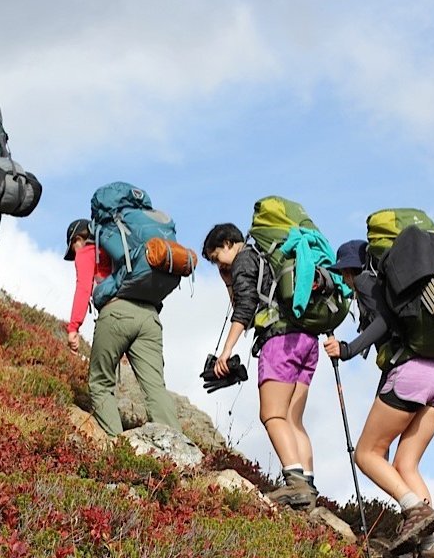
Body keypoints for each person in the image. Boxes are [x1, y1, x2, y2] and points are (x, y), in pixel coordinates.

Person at [323, 240, 434, 558]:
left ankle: (414, 510)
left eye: (345, 275)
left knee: (366, 454)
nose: (347, 282)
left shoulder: (368, 283)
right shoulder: (408, 290)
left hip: (411, 373)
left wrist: (348, 349)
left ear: (351, 270)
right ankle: (432, 551)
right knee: (406, 465)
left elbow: (382, 320)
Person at [202, 223, 319, 510]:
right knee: (293, 419)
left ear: (229, 242)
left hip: (279, 341)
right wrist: (228, 281)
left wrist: (225, 352)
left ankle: (295, 484)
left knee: (272, 414)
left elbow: (244, 307)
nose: (219, 265)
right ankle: (309, 485)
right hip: (307, 340)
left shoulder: (244, 259)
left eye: (217, 257)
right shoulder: (266, 257)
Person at [64, 218, 182, 436]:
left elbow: (83, 288)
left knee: (100, 383)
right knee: (155, 386)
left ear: (78, 238)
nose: (75, 254)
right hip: (149, 316)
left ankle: (116, 445)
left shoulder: (88, 251)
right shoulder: (126, 245)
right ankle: (179, 448)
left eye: (73, 248)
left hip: (116, 312)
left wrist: (74, 327)